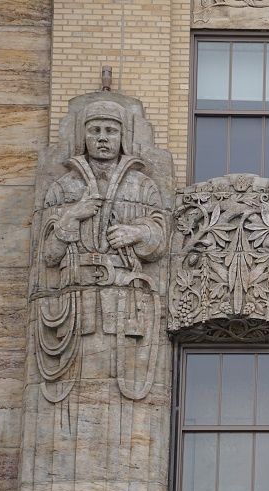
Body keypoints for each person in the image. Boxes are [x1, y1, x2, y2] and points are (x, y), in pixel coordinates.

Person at [35, 99, 167, 402]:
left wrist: (135, 232)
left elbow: (159, 240)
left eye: (111, 130)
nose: (103, 137)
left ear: (123, 137)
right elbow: (49, 256)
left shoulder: (143, 186)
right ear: (84, 136)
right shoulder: (61, 187)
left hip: (124, 301)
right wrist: (72, 216)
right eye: (95, 130)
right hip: (76, 303)